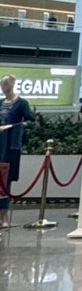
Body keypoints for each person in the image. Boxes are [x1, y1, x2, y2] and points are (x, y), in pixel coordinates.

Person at [0, 74, 36, 228]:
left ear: (12, 84)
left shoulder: (21, 103)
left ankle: (3, 217)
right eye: (2, 84)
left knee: (5, 180)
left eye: (6, 84)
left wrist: (12, 127)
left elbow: (32, 122)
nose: (4, 86)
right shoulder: (0, 103)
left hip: (9, 146)